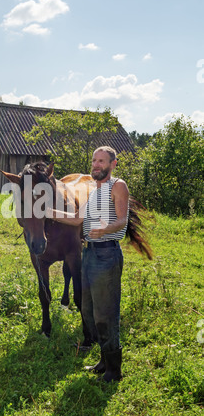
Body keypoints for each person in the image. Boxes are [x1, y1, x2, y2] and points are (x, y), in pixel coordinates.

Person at [47, 146, 129, 382]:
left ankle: (114, 370)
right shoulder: (94, 190)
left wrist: (106, 228)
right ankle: (103, 361)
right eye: (94, 160)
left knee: (107, 313)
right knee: (90, 309)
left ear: (113, 164)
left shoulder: (117, 186)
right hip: (90, 254)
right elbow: (76, 219)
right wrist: (47, 211)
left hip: (107, 254)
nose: (96, 165)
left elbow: (123, 220)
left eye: (101, 161)